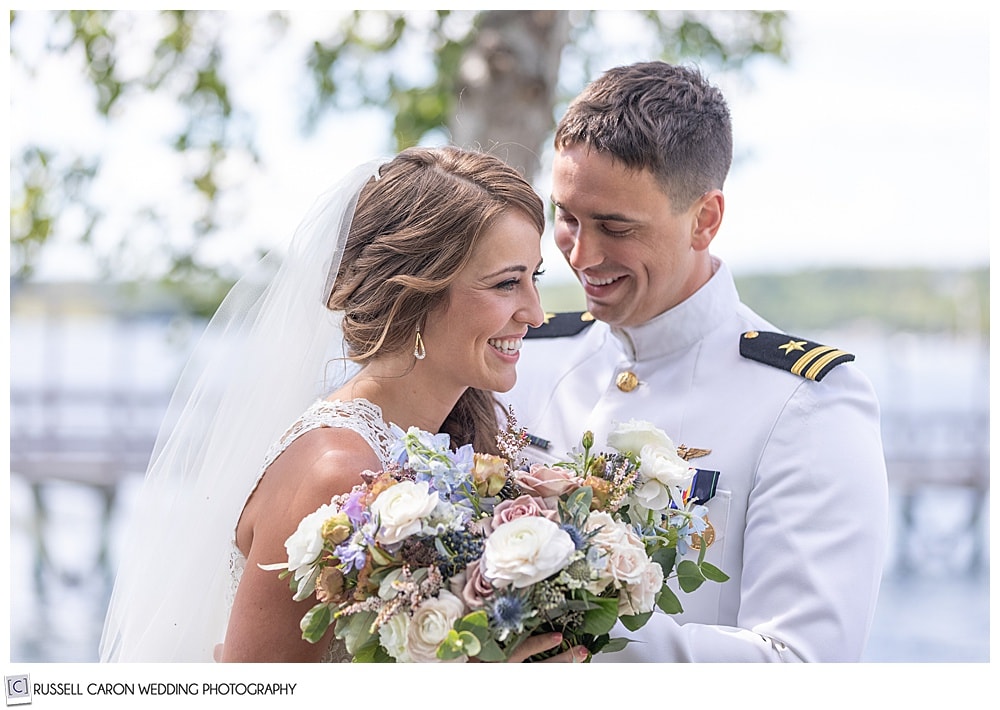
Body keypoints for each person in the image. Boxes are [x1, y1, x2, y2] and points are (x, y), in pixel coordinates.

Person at [100, 146, 588, 663]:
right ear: (415, 295)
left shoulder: (460, 446)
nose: (535, 314)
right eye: (507, 283)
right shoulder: (334, 472)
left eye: (533, 278)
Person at [503, 61, 889, 662]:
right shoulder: (527, 359)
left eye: (615, 226)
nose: (581, 253)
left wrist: (579, 634)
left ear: (704, 219)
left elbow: (804, 665)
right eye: (567, 217)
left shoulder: (808, 404)